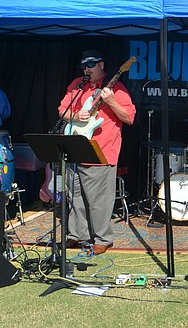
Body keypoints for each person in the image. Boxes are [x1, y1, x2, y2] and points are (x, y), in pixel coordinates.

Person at [57, 49, 135, 255]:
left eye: (90, 65)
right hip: (75, 147)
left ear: (101, 65)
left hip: (101, 151)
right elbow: (62, 111)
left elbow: (129, 118)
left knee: (99, 200)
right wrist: (75, 116)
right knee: (74, 196)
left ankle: (102, 238)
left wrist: (111, 101)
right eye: (84, 66)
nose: (86, 70)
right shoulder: (77, 85)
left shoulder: (117, 88)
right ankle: (77, 234)